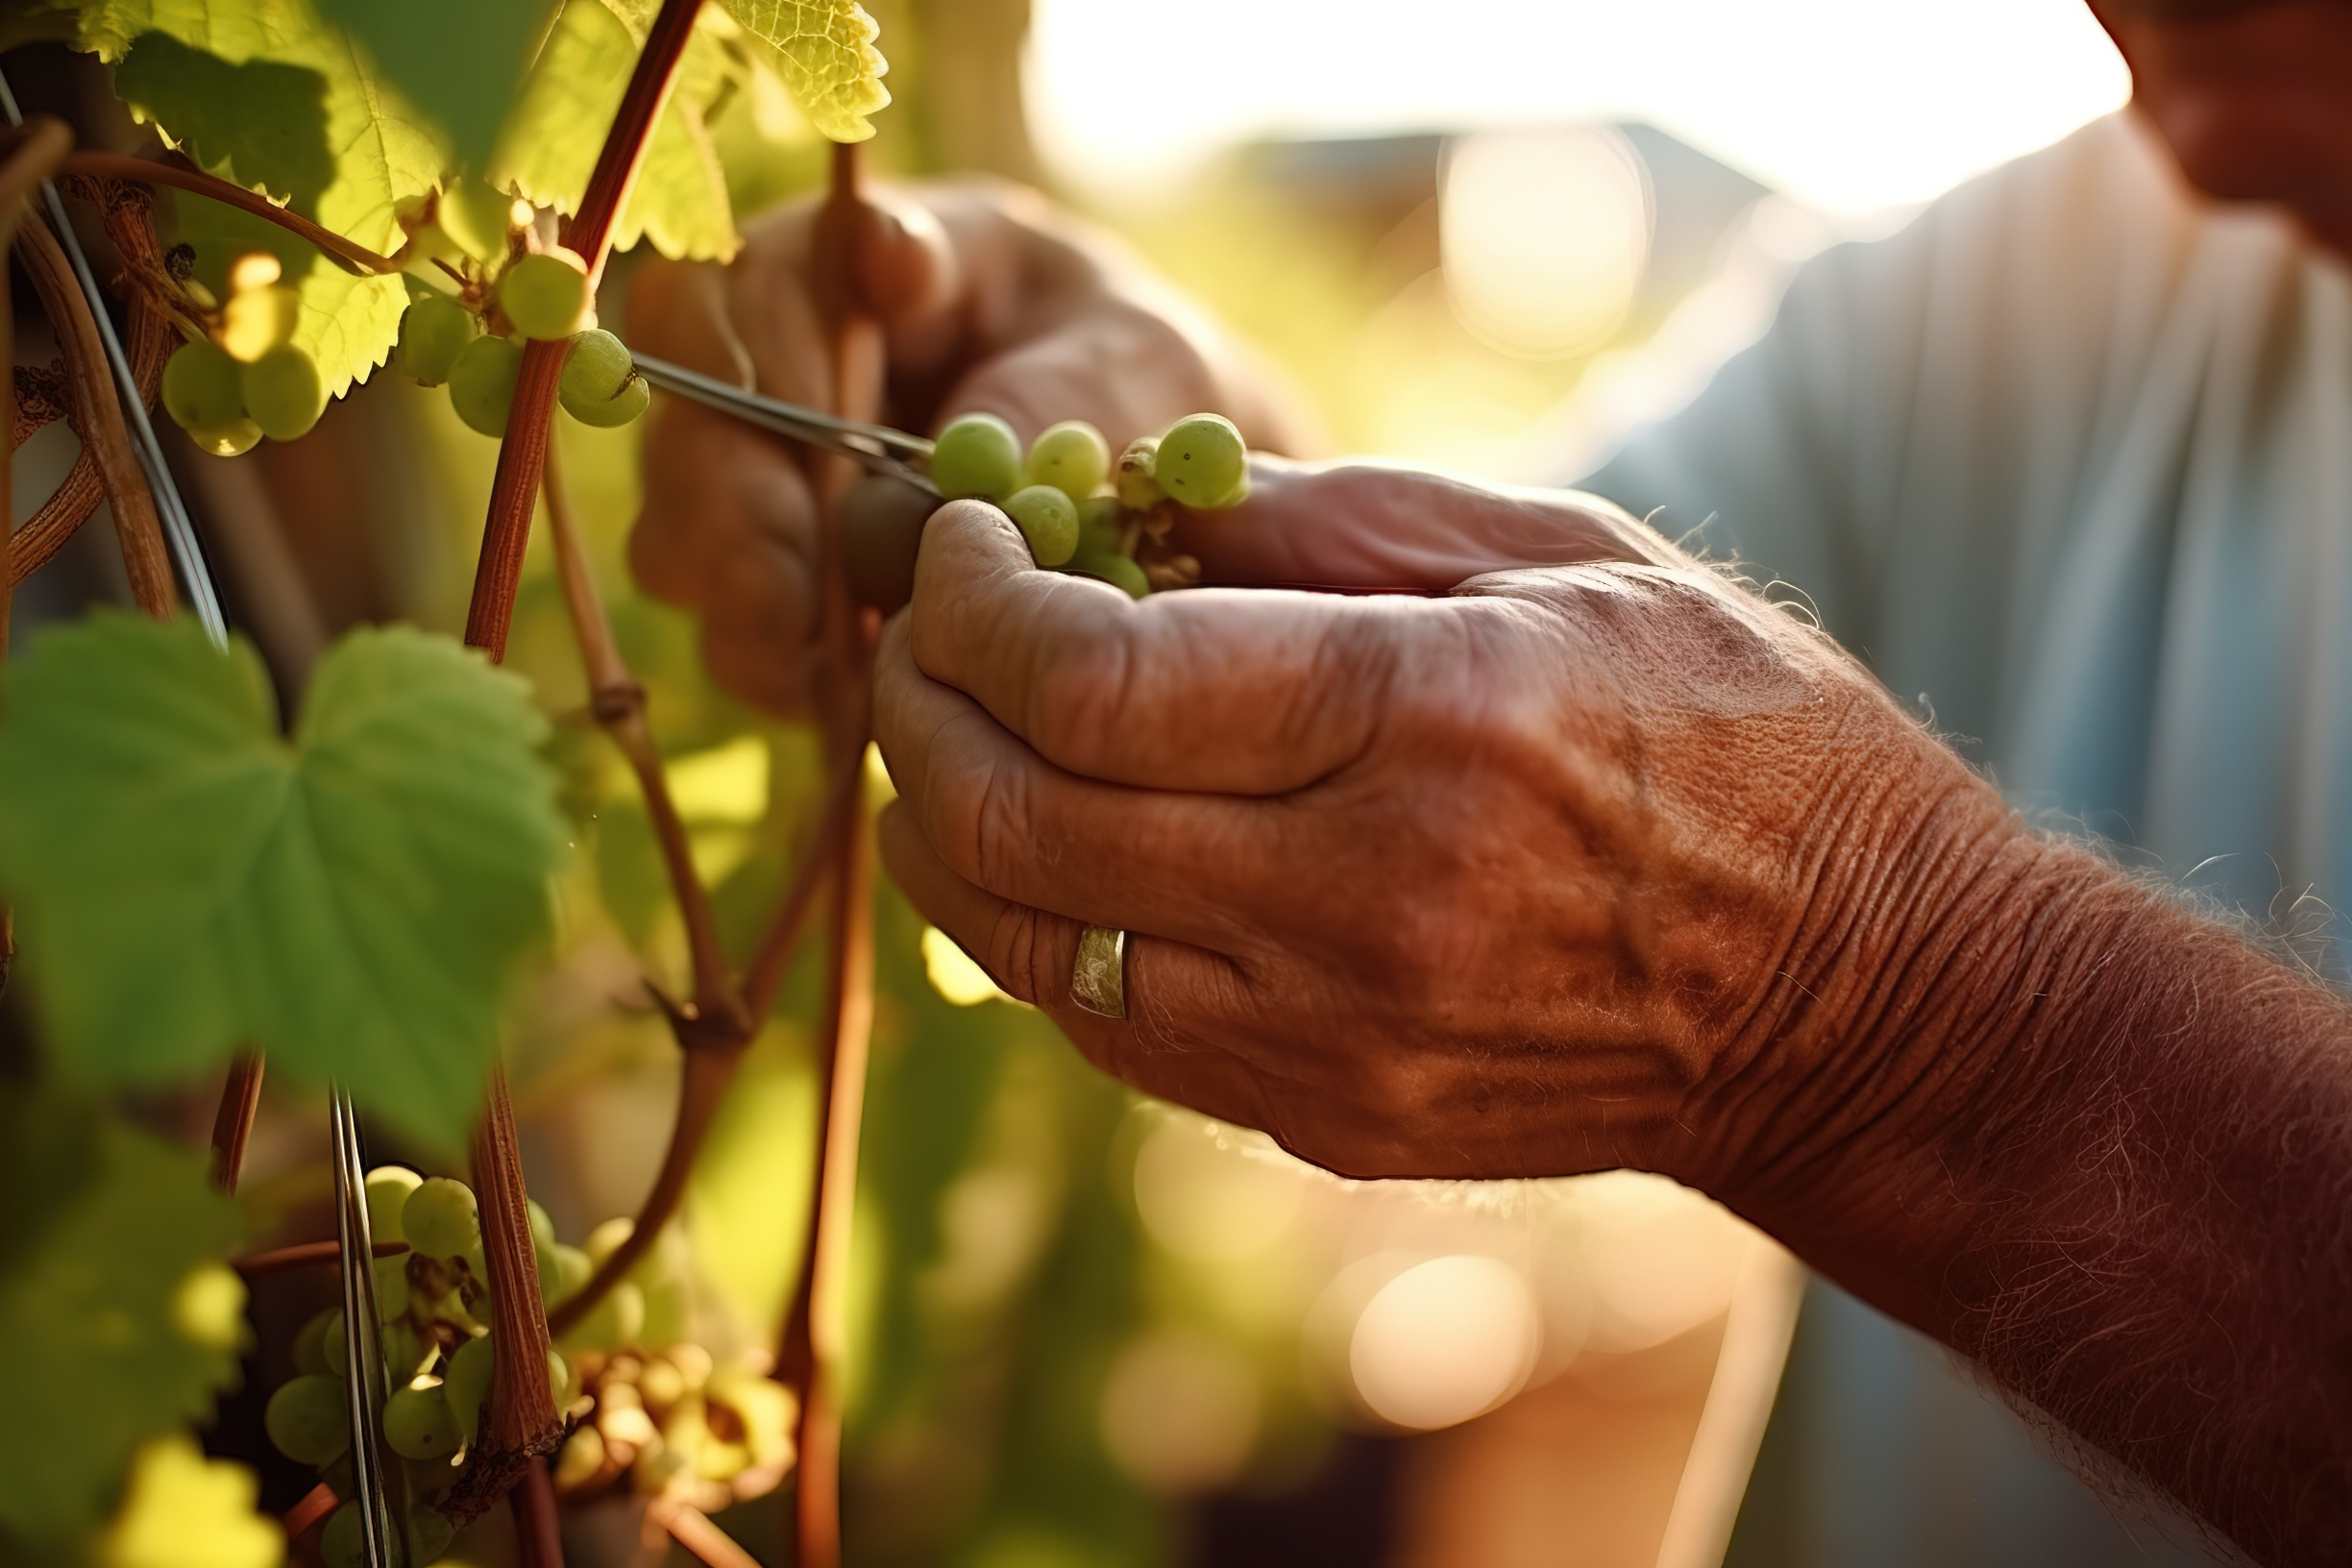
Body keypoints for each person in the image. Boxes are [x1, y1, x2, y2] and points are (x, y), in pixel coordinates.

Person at [626, 1, 2352, 1562]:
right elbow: (1519, 667)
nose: (2144, 59)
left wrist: (1906, 1026)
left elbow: (1769, 886)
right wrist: (1172, 468)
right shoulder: (2056, 270)